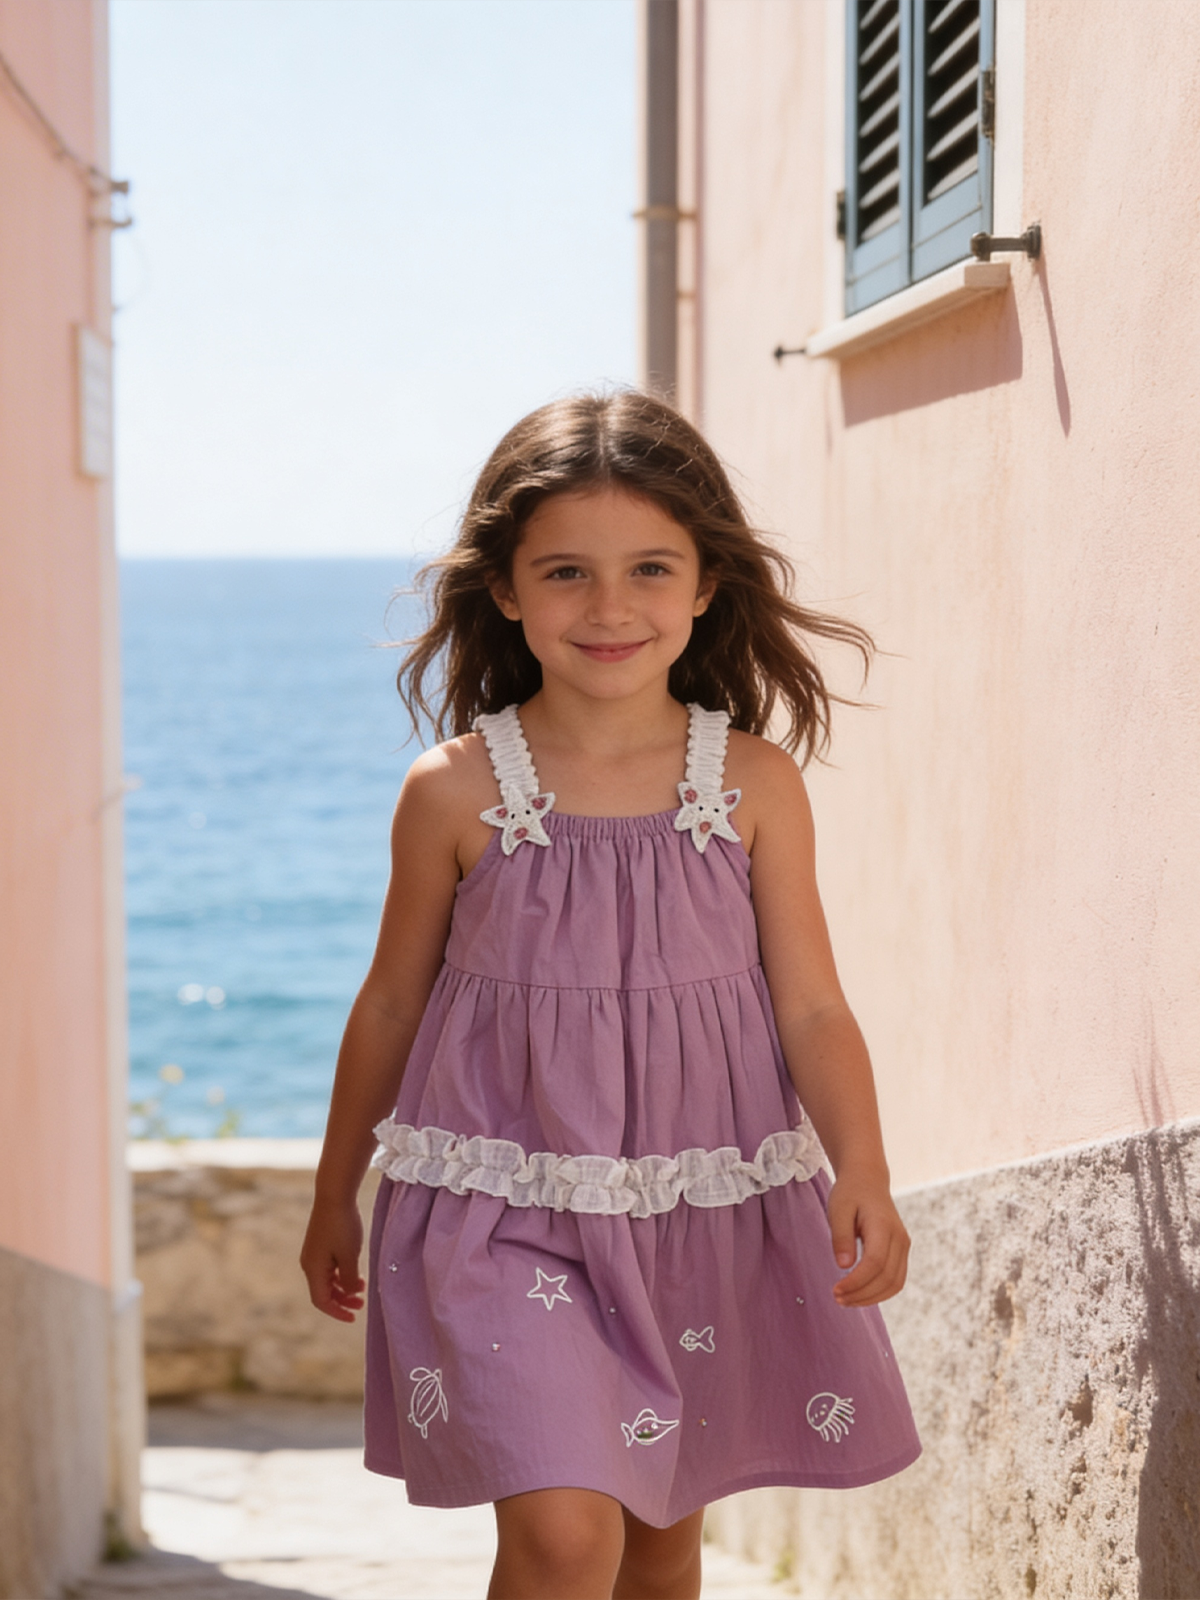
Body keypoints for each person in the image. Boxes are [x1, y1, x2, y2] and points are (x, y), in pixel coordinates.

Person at [301, 389, 920, 1600]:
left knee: (660, 1540)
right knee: (564, 1536)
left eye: (648, 567)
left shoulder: (751, 783)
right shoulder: (452, 791)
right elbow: (388, 1006)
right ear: (507, 590)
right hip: (501, 1207)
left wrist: (865, 1164)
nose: (610, 606)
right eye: (567, 572)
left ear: (703, 586)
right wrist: (337, 1190)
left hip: (698, 1210)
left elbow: (811, 1007)